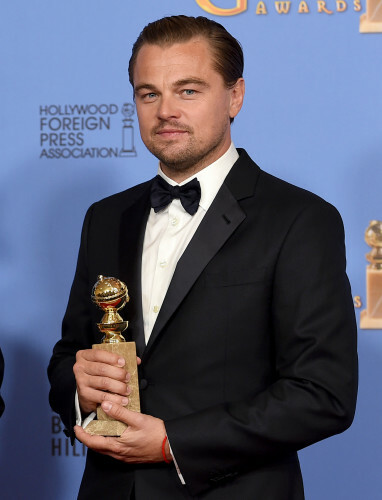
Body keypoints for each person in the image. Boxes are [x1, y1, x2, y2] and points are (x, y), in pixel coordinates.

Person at [48, 15, 358, 500]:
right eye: (148, 93)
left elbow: (323, 395)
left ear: (235, 96)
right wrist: (78, 389)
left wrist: (174, 443)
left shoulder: (300, 219)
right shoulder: (105, 218)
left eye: (188, 91)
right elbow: (70, 354)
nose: (165, 110)